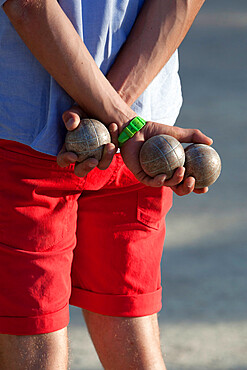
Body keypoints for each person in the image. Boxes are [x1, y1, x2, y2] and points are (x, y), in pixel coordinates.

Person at [0, 0, 210, 368]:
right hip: (143, 140)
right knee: (134, 350)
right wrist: (122, 116)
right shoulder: (131, 130)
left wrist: (113, 116)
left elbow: (28, 5)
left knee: (36, 354)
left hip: (30, 130)